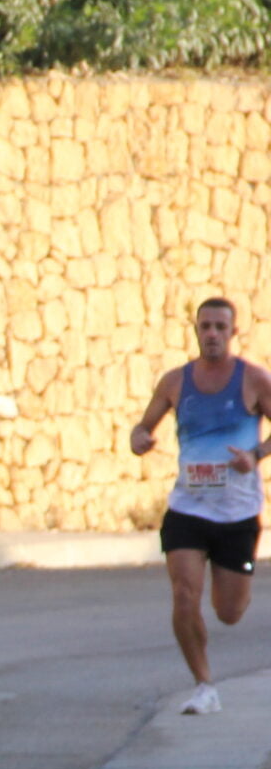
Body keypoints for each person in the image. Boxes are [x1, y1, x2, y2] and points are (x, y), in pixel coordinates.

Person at [127, 297, 267, 716]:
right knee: (184, 595)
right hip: (187, 509)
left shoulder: (255, 379)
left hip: (237, 514)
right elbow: (142, 426)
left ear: (233, 332)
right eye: (205, 326)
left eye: (220, 327)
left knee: (229, 612)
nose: (212, 334)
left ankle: (232, 600)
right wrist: (139, 439)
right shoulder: (175, 382)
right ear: (195, 330)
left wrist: (255, 456)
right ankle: (204, 685)